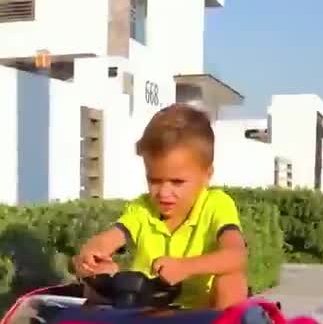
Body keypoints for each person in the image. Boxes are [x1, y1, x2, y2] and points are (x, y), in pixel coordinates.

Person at [73, 103, 249, 310]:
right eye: (154, 180)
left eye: (177, 182)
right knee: (97, 277)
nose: (164, 193)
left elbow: (237, 256)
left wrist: (186, 267)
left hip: (201, 316)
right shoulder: (142, 208)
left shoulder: (216, 204)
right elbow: (108, 239)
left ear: (207, 175)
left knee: (232, 280)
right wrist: (92, 255)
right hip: (146, 311)